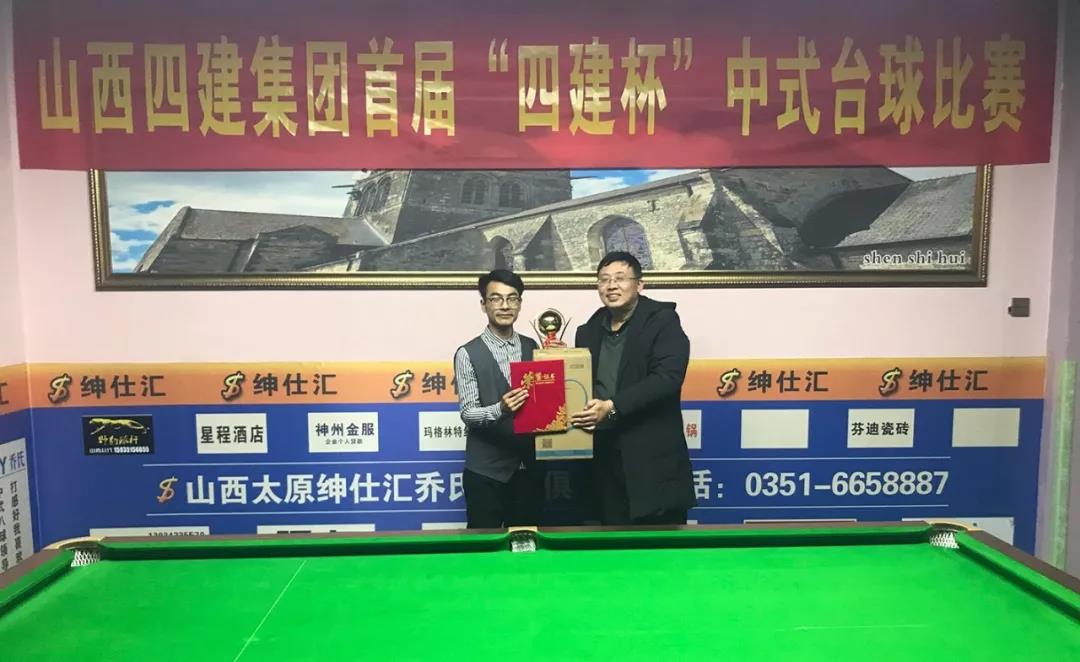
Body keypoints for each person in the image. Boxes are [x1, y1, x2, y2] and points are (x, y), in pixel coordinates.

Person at [570, 251, 696, 525]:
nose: (611, 286)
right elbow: (579, 383)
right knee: (610, 542)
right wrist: (557, 361)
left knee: (660, 545)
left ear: (639, 284)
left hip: (651, 456)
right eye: (604, 280)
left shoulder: (663, 321)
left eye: (620, 278)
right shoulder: (588, 330)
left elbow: (668, 377)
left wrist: (612, 406)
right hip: (604, 458)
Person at [454, 269, 543, 528]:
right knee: (484, 545)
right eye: (496, 299)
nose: (505, 306)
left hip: (527, 469)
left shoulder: (533, 347)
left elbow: (546, 402)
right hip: (485, 473)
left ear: (520, 304)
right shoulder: (467, 353)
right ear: (484, 305)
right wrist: (500, 408)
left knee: (526, 543)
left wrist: (559, 360)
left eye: (512, 298)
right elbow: (468, 413)